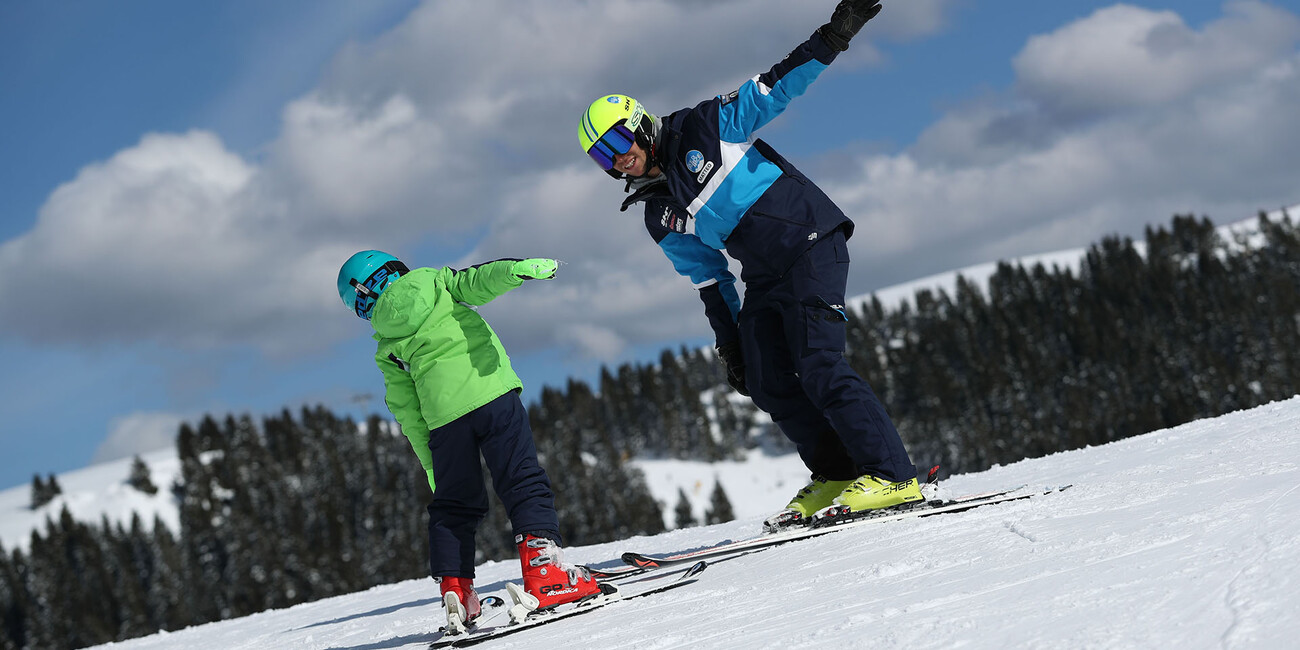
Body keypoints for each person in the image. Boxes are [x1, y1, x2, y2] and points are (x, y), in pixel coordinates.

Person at [577, 0, 921, 529]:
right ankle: (835, 472)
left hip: (809, 241)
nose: (618, 158)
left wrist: (835, 34)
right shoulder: (658, 213)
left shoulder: (706, 127)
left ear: (640, 125)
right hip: (764, 274)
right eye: (603, 155)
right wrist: (730, 341)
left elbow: (777, 86)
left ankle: (893, 475)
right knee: (764, 377)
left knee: (820, 363)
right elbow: (708, 277)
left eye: (619, 141)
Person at [337, 251, 606, 634]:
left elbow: (406, 410)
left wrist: (431, 463)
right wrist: (517, 270)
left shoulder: (387, 348)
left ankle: (456, 592)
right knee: (520, 479)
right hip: (492, 396)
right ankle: (545, 573)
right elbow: (480, 281)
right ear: (394, 268)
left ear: (362, 306)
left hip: (443, 423)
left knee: (454, 505)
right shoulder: (436, 282)